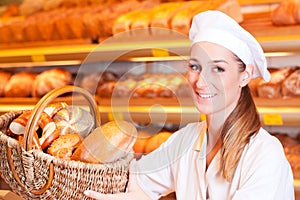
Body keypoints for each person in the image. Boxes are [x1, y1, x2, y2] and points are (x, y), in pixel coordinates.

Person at [84, 10, 295, 200]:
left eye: (218, 69)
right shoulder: (185, 141)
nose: (201, 82)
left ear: (245, 76)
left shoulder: (265, 154)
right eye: (195, 66)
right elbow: (138, 182)